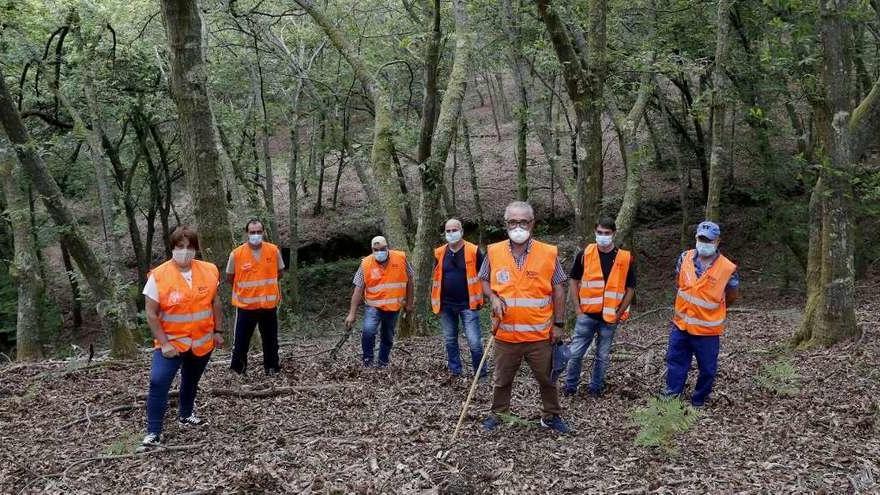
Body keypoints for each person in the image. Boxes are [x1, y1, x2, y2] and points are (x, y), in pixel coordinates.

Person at [480, 201, 570, 434]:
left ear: (532, 224)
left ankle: (551, 416)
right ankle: (499, 413)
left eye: (522, 222)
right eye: (512, 222)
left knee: (547, 379)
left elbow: (559, 287)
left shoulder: (548, 252)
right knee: (502, 379)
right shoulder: (494, 251)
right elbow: (484, 280)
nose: (517, 226)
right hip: (505, 333)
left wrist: (559, 324)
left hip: (539, 334)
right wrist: (493, 297)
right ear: (505, 224)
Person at [141, 226, 222, 447]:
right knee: (158, 381)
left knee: (191, 380)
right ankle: (153, 431)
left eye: (189, 247)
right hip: (171, 343)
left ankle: (186, 415)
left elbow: (215, 302)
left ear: (195, 249)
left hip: (202, 341)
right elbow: (151, 312)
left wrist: (218, 331)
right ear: (173, 248)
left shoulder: (209, 270)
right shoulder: (158, 276)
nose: (185, 251)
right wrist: (165, 343)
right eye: (180, 247)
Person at [664, 220, 740, 407]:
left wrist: (711, 311)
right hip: (681, 326)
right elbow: (678, 283)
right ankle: (671, 398)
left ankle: (699, 400)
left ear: (717, 241)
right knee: (675, 362)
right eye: (701, 238)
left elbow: (731, 296)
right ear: (696, 237)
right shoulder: (684, 258)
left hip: (707, 331)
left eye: (709, 240)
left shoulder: (727, 268)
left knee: (707, 369)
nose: (704, 243)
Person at [563, 217, 636, 397]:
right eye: (600, 233)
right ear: (595, 232)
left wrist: (619, 314)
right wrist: (578, 309)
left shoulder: (624, 258)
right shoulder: (585, 254)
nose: (603, 236)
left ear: (614, 234)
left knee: (602, 357)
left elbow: (631, 288)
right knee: (575, 354)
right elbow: (573, 280)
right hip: (586, 315)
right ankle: (570, 387)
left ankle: (595, 388)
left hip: (610, 318)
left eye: (607, 233)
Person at [344, 236, 414, 367]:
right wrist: (352, 313)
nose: (379, 252)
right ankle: (367, 361)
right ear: (372, 249)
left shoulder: (401, 258)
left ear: (387, 247)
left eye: (382, 249)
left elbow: (410, 281)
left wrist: (409, 303)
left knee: (387, 336)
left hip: (393, 307)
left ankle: (382, 362)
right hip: (373, 306)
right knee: (368, 331)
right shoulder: (366, 263)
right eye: (376, 249)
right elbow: (358, 289)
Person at [227, 219, 285, 376]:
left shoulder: (273, 251)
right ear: (247, 233)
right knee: (240, 341)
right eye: (252, 232)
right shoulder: (236, 254)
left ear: (264, 232)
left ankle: (272, 368)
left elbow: (280, 272)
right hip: (246, 306)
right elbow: (230, 277)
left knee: (271, 340)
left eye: (259, 232)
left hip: (268, 305)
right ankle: (238, 370)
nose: (256, 235)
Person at [431, 219, 487, 378]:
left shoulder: (474, 250)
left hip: (468, 304)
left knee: (474, 342)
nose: (451, 233)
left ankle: (480, 375)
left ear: (462, 231)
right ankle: (455, 372)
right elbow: (436, 276)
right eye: (448, 231)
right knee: (450, 340)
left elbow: (484, 275)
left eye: (454, 230)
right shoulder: (439, 252)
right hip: (446, 304)